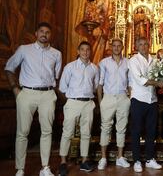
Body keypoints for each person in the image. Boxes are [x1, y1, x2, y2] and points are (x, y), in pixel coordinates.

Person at [5, 22, 62, 176]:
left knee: (47, 131)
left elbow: (56, 75)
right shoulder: (24, 50)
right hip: (27, 93)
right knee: (22, 132)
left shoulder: (56, 54)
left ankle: (45, 168)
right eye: (41, 31)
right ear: (36, 33)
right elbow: (9, 67)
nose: (44, 34)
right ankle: (20, 169)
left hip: (48, 94)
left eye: (48, 32)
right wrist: (15, 89)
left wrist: (53, 94)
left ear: (51, 35)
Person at [58, 41, 99, 175]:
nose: (85, 52)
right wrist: (71, 100)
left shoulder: (94, 68)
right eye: (82, 49)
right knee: (67, 133)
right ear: (78, 51)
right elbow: (63, 87)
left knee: (86, 133)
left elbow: (95, 86)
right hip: (73, 102)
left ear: (90, 52)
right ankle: (63, 162)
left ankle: (84, 161)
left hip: (88, 103)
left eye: (88, 50)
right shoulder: (70, 67)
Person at [128, 37, 163, 173]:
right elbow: (139, 79)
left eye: (145, 44)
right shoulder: (133, 61)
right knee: (137, 130)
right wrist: (157, 83)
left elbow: (161, 76)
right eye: (141, 45)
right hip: (138, 99)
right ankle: (137, 160)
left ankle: (150, 159)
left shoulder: (154, 60)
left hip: (152, 100)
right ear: (136, 47)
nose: (143, 47)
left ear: (149, 46)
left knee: (151, 131)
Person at [97, 39, 131, 170]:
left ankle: (120, 157)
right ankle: (103, 158)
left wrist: (130, 98)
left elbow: (130, 83)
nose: (116, 48)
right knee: (105, 127)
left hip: (123, 97)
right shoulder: (104, 63)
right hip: (108, 97)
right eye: (114, 46)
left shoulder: (127, 63)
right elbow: (100, 84)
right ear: (111, 47)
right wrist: (101, 102)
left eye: (119, 46)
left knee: (121, 128)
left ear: (122, 47)